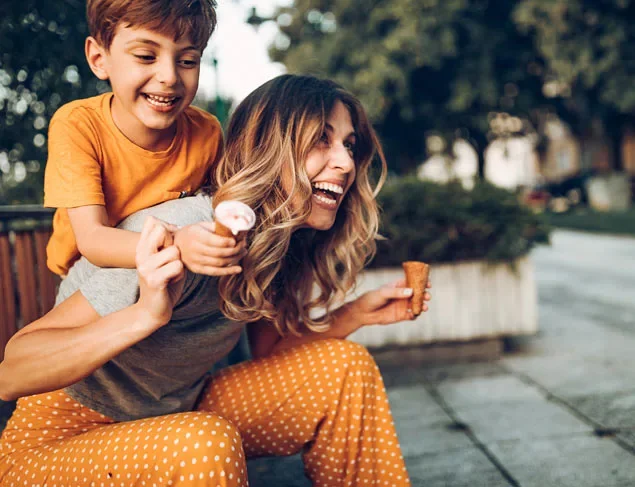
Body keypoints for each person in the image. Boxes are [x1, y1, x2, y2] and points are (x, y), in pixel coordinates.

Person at [0, 75, 432, 486]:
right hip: (56, 442)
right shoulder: (183, 230)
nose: (345, 162)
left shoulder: (273, 245)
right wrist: (144, 314)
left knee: (344, 368)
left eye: (349, 144)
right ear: (269, 146)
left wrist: (355, 313)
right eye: (322, 138)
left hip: (171, 415)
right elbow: (13, 370)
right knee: (204, 445)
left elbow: (268, 351)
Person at [44, 0, 245, 278]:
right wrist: (177, 243)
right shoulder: (78, 124)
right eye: (145, 56)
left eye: (187, 61)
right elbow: (91, 238)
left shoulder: (206, 132)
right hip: (89, 275)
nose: (169, 77)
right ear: (99, 60)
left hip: (164, 270)